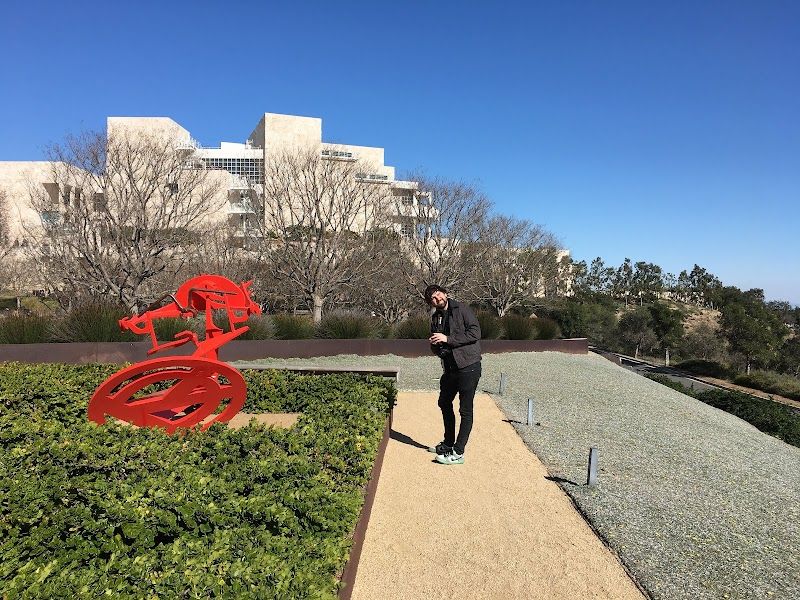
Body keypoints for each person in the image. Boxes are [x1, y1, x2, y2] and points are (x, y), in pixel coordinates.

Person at [424, 284, 482, 465]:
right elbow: (438, 344)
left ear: (445, 294)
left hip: (468, 366)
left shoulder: (462, 309)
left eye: (438, 294)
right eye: (432, 298)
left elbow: (475, 333)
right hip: (449, 368)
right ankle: (448, 443)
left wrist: (448, 339)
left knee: (465, 409)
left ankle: (458, 452)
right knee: (444, 402)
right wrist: (435, 345)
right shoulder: (436, 317)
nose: (437, 299)